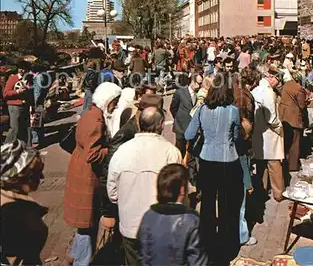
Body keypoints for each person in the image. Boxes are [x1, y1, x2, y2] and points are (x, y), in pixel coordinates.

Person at [107, 106, 182, 266]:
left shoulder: (122, 151)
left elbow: (112, 192)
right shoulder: (171, 152)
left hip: (130, 226)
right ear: (161, 124)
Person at [184, 73, 243, 264]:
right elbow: (235, 136)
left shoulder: (202, 110)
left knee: (208, 204)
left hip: (207, 160)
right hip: (228, 160)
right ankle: (226, 248)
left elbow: (189, 134)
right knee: (227, 205)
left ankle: (208, 243)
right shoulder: (233, 111)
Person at [64, 82, 122, 266]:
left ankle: (76, 256)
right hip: (87, 176)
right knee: (87, 225)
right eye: (114, 101)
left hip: (80, 170)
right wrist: (110, 150)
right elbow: (93, 154)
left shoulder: (90, 113)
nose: (115, 105)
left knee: (85, 225)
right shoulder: (96, 120)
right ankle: (82, 261)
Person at [137, 164, 208, 266]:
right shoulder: (192, 221)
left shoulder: (148, 216)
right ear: (182, 190)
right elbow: (197, 261)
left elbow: (142, 256)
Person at [1, 140, 47, 265]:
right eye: (36, 173)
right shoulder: (10, 212)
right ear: (17, 176)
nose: (42, 177)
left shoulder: (14, 200)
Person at [252, 64, 285, 202]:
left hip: (258, 132)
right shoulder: (269, 93)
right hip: (270, 133)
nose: (279, 83)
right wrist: (280, 128)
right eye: (278, 79)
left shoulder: (256, 90)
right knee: (274, 164)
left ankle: (262, 190)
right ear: (272, 78)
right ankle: (278, 193)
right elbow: (272, 118)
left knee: (261, 164)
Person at [233, 67, 258, 247]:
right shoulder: (242, 96)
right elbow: (243, 118)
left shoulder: (241, 93)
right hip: (241, 144)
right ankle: (242, 234)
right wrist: (246, 132)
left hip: (241, 143)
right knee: (240, 194)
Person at [279, 71, 308, 173]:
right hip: (294, 118)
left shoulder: (286, 85)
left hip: (284, 117)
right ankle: (293, 166)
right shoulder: (299, 89)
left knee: (286, 142)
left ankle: (285, 163)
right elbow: (302, 106)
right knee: (295, 144)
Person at [3, 60, 32, 146]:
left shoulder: (28, 79)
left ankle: (27, 147)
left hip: (25, 105)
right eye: (20, 68)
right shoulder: (13, 78)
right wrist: (17, 91)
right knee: (15, 128)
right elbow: (6, 93)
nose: (22, 70)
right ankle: (6, 146)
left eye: (24, 69)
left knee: (26, 127)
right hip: (14, 106)